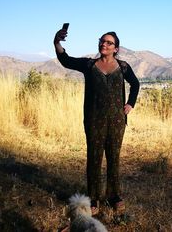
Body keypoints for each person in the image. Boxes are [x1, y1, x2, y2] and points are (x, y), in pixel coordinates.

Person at [54, 27, 140, 215]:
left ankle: (114, 196)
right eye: (102, 40)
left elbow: (135, 84)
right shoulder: (89, 65)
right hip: (93, 120)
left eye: (109, 42)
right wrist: (57, 42)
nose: (104, 44)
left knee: (113, 158)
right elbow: (65, 60)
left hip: (117, 121)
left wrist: (130, 104)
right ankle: (93, 198)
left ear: (116, 48)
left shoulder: (123, 66)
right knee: (94, 158)